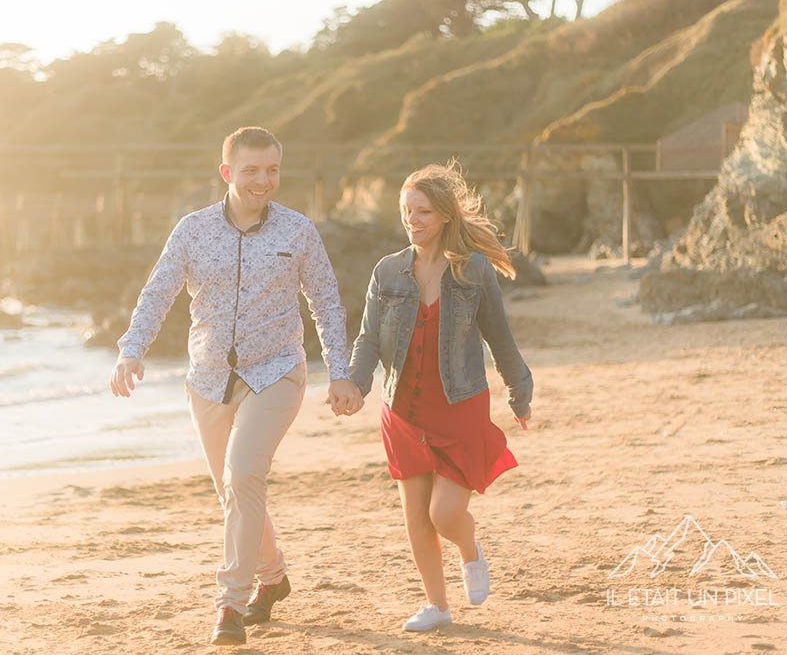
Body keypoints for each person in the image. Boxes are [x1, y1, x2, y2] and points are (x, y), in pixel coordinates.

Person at [109, 126, 362, 646]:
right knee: (234, 488)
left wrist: (340, 372)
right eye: (251, 170)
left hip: (276, 372)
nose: (263, 180)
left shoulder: (298, 231)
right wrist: (131, 349)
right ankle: (274, 579)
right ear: (227, 173)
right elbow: (157, 293)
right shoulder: (192, 230)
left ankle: (230, 603)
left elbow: (326, 303)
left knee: (244, 472)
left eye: (272, 169)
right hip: (207, 379)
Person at [343, 160, 534, 633]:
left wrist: (519, 389)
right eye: (407, 211)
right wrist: (355, 384)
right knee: (417, 518)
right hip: (403, 409)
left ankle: (469, 550)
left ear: (445, 215)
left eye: (423, 212)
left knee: (445, 514)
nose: (413, 220)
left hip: (460, 405)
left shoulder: (474, 272)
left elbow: (500, 337)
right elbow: (367, 339)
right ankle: (437, 605)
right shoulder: (387, 272)